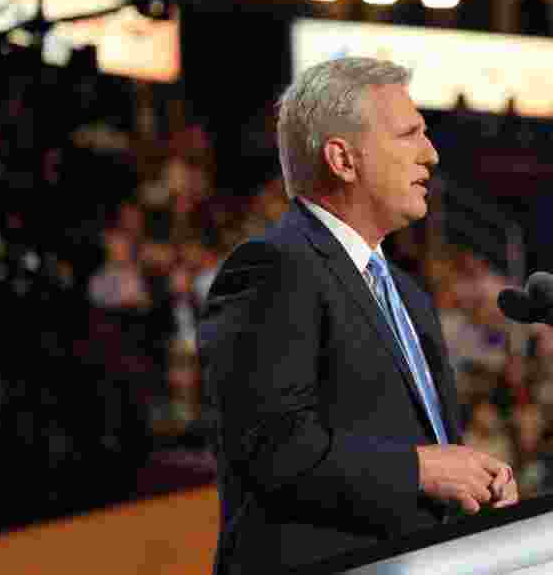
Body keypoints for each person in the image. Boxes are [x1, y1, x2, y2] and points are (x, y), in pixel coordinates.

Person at [198, 57, 518, 574]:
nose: (431, 154)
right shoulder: (274, 268)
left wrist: (475, 480)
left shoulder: (410, 296)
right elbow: (272, 449)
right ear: (343, 160)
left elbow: (420, 458)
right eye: (409, 134)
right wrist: (421, 470)